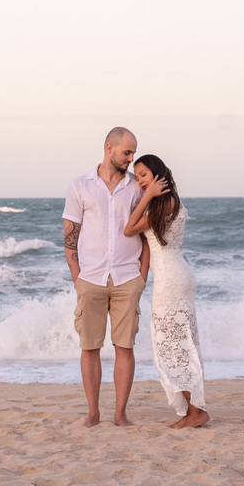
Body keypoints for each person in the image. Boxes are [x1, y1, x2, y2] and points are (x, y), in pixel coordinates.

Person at [62, 127, 150, 427]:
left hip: (127, 277)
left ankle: (120, 412)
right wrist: (78, 277)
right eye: (127, 152)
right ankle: (93, 411)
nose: (131, 158)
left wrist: (143, 274)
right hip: (91, 278)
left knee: (125, 347)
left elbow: (148, 233)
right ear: (109, 148)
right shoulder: (79, 186)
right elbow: (69, 237)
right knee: (90, 347)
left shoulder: (137, 188)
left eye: (133, 152)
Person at [124, 154, 210, 428]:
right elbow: (142, 237)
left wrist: (147, 196)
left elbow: (129, 229)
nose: (140, 181)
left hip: (173, 279)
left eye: (144, 175)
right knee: (179, 344)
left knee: (172, 346)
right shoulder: (167, 203)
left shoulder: (166, 202)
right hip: (175, 276)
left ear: (157, 174)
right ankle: (192, 410)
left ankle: (197, 411)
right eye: (137, 177)